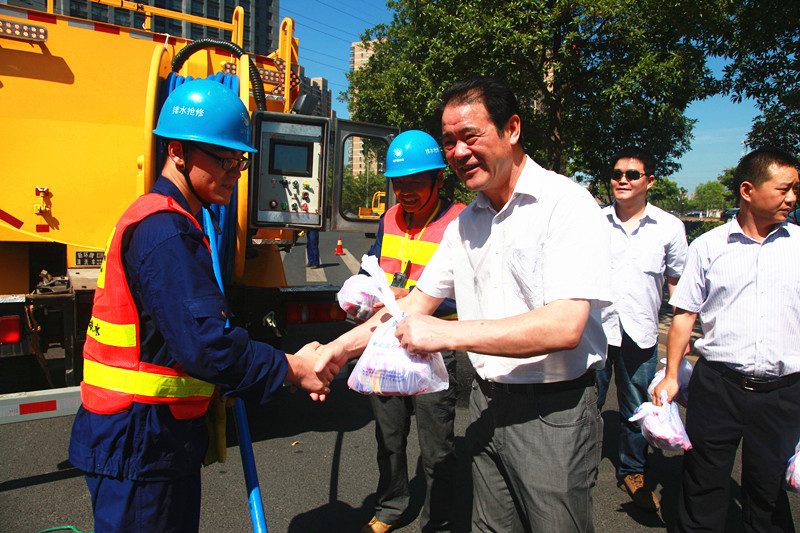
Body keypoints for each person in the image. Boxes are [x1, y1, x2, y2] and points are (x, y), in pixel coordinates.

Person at [317, 77, 611, 532]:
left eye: (470, 136)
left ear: (512, 129)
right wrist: (335, 351)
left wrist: (446, 333)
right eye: (449, 141)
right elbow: (415, 303)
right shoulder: (467, 224)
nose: (458, 152)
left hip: (553, 411)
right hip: (486, 402)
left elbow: (565, 325)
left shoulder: (565, 205)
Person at [68, 79, 336, 532]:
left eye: (240, 160)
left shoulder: (171, 220)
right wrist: (291, 367)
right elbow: (206, 346)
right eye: (223, 159)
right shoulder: (166, 232)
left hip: (149, 436)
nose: (235, 171)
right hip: (141, 441)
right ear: (177, 152)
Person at [653, 147, 800, 532]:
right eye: (783, 189)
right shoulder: (709, 246)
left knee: (768, 488)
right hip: (718, 387)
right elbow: (684, 315)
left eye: (795, 189)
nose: (792, 198)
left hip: (783, 392)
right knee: (703, 480)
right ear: (748, 190)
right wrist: (671, 375)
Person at [358, 130, 466, 533]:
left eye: (415, 182)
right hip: (388, 344)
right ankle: (391, 506)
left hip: (436, 345)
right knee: (389, 437)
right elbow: (373, 267)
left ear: (439, 179)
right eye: (398, 183)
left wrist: (417, 298)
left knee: (437, 447)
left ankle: (438, 520)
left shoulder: (460, 221)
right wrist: (362, 291)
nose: (405, 191)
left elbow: (471, 291)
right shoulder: (389, 218)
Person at [597, 147, 687, 511]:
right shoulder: (594, 222)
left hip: (641, 332)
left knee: (636, 408)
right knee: (587, 404)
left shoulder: (669, 227)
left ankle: (633, 470)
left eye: (632, 174)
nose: (623, 180)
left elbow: (678, 283)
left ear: (649, 181)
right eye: (617, 173)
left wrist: (681, 332)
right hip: (596, 331)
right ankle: (579, 466)